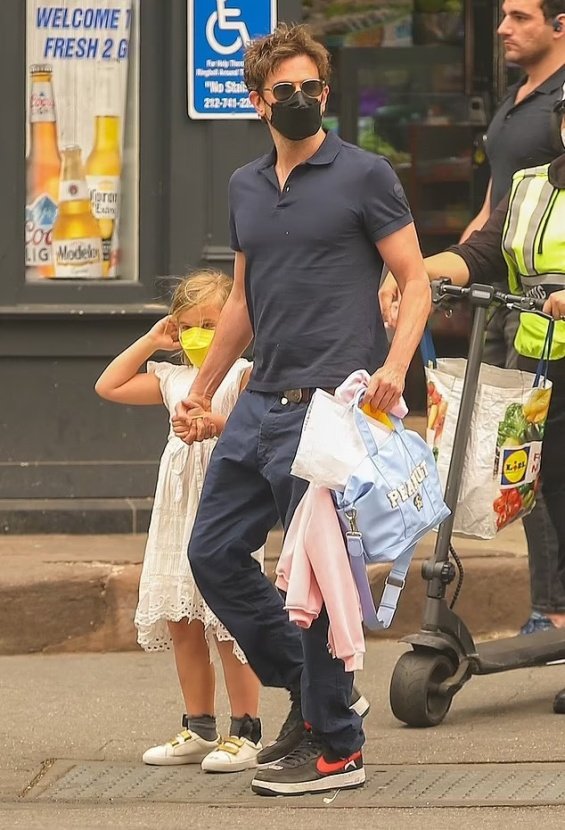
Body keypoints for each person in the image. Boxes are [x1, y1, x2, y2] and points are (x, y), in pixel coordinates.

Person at [172, 24, 431, 797]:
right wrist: (203, 385)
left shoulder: (365, 175)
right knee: (213, 554)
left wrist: (392, 367)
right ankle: (318, 696)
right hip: (255, 404)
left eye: (310, 87)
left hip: (328, 410)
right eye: (282, 90)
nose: (299, 100)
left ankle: (336, 750)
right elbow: (245, 298)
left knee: (315, 582)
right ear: (257, 102)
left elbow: (413, 281)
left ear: (325, 91)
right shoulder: (245, 186)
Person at [380, 90, 565, 713]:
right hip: (538, 364)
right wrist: (424, 274)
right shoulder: (530, 186)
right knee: (546, 495)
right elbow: (485, 252)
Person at [95, 270, 264, 773]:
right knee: (184, 619)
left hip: (224, 503)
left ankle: (247, 729)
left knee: (228, 621)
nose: (199, 335)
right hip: (176, 514)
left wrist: (216, 424)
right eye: (188, 325)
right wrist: (151, 338)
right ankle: (199, 725)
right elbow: (109, 384)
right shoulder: (171, 379)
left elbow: (260, 431)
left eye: (211, 324)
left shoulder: (243, 374)